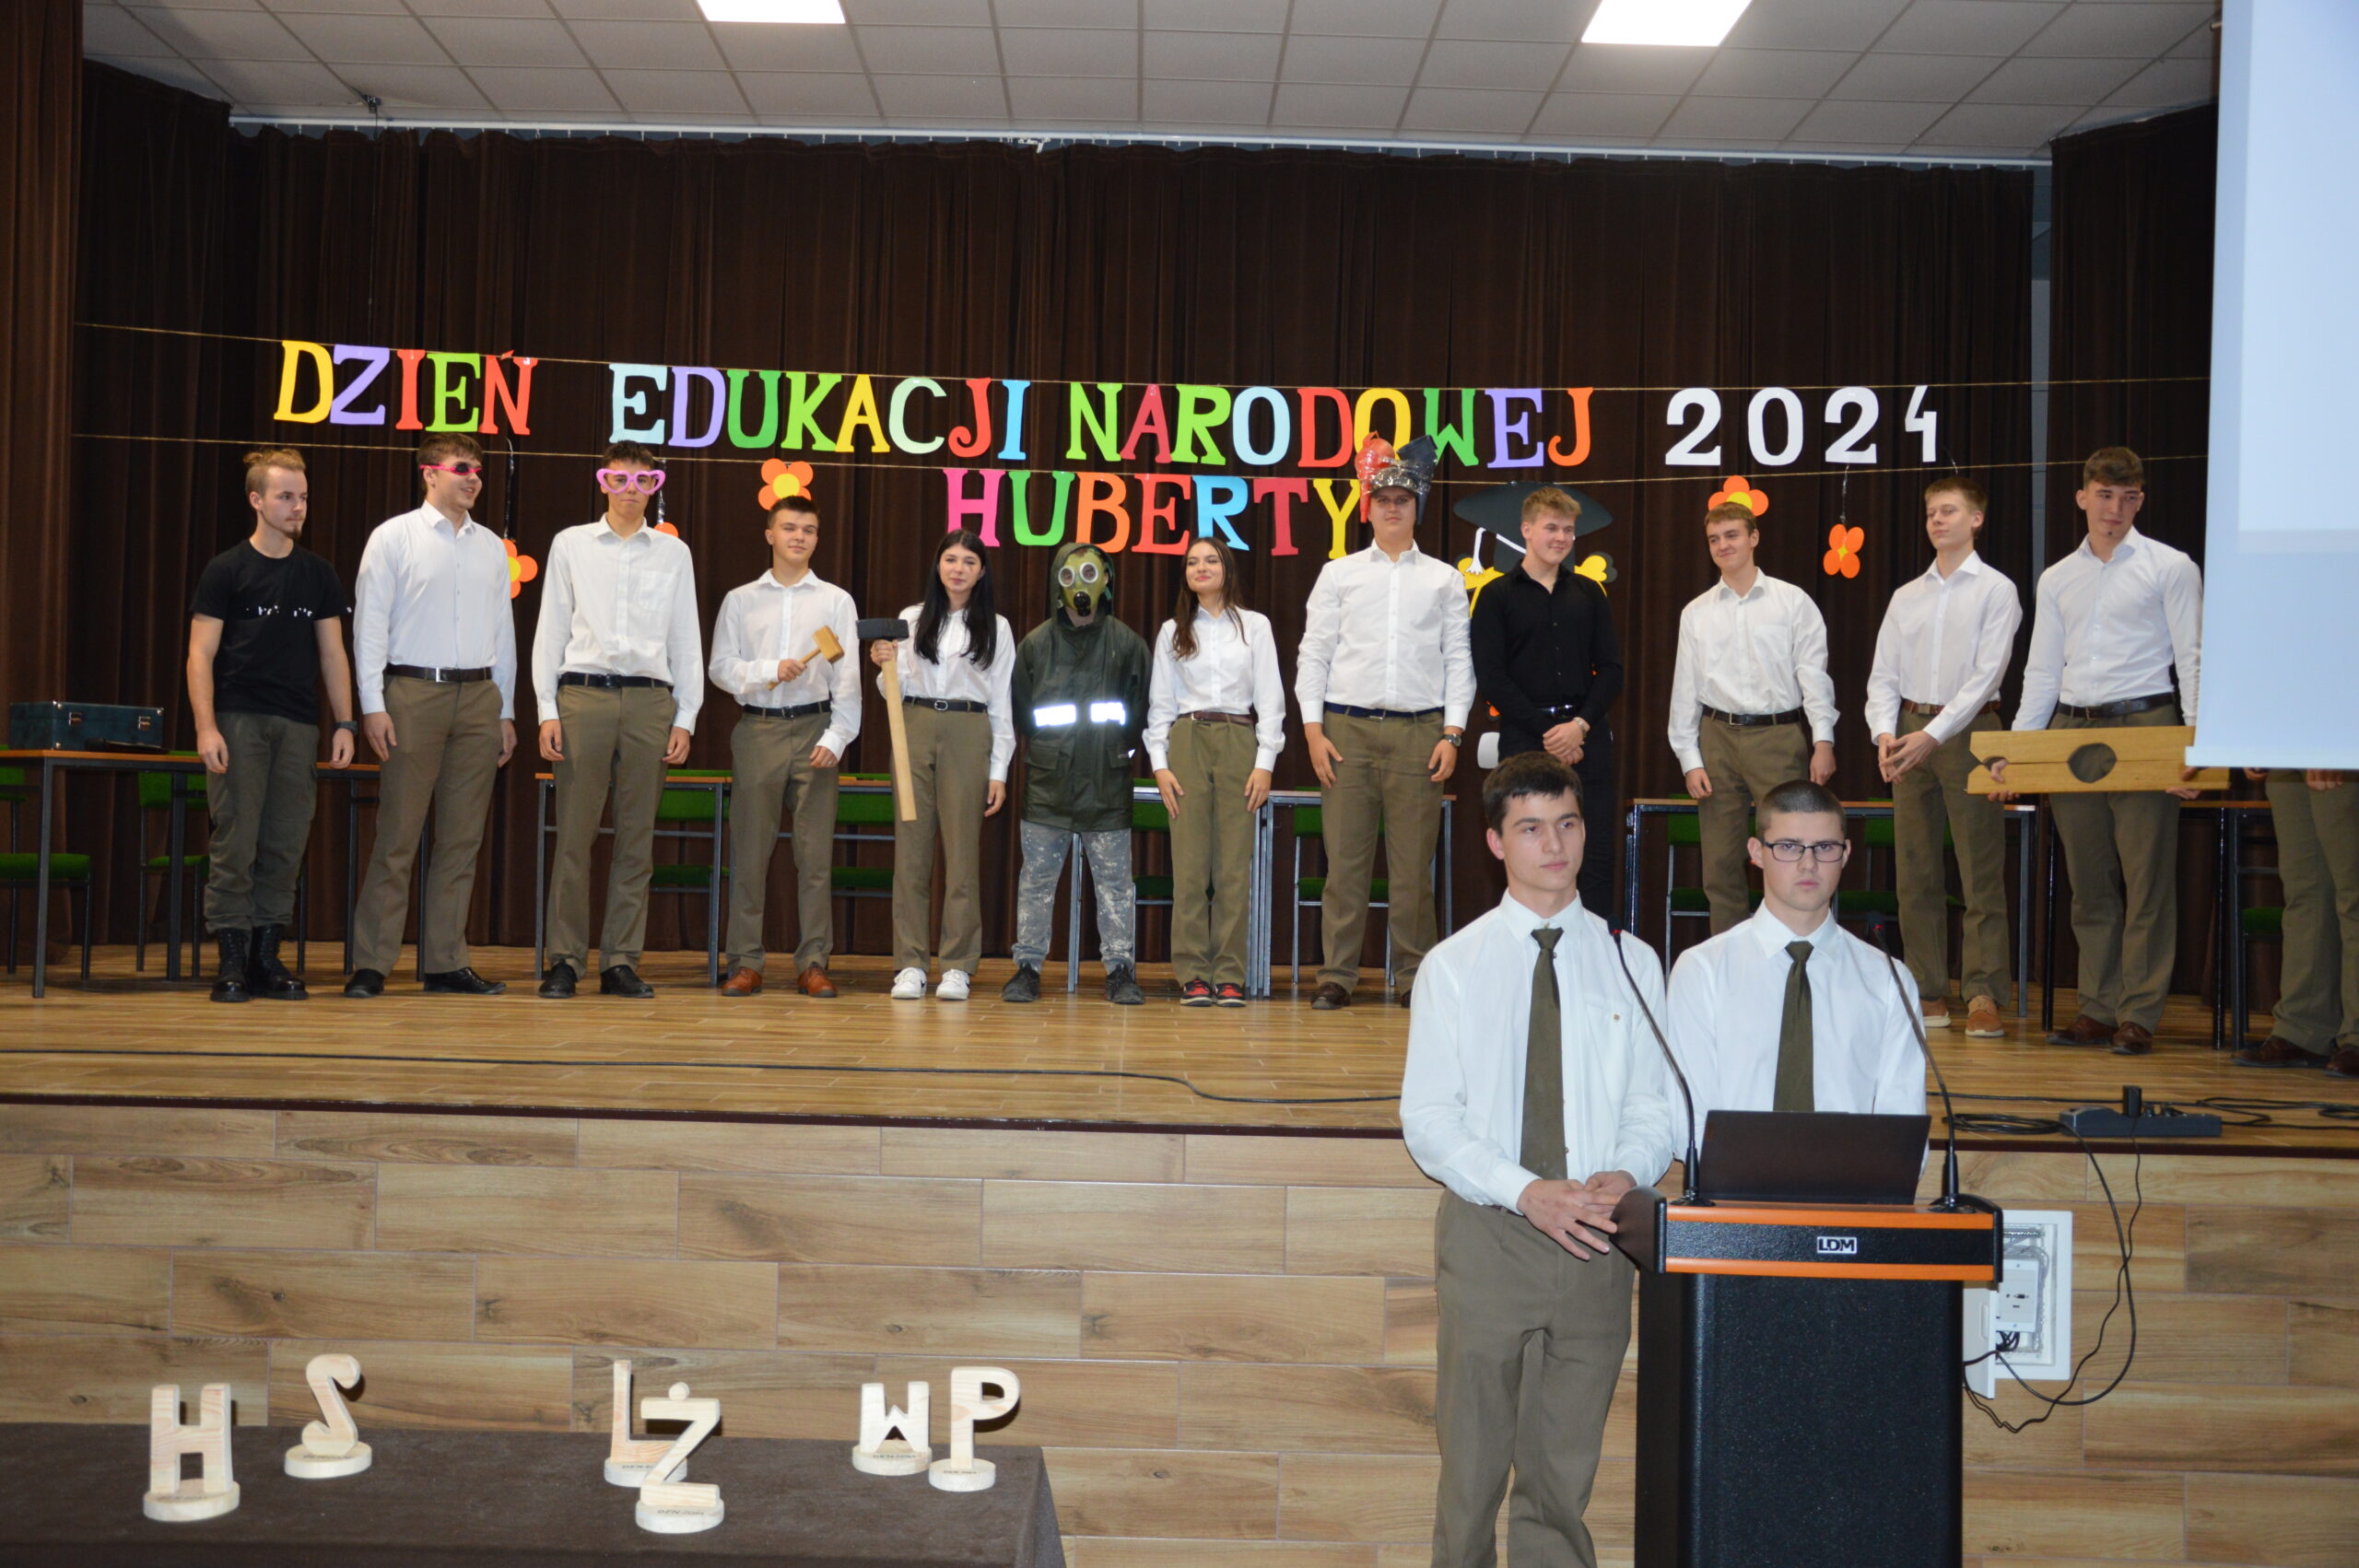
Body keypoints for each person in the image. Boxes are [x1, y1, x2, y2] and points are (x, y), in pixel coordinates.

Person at [1400, 751, 1676, 1568]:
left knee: (1561, 1483)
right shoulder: (1454, 966)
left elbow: (1656, 1105)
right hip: (1491, 1235)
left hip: (1597, 1239)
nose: (1552, 845)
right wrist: (1526, 1192)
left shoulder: (1632, 961)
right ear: (1496, 843)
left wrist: (1628, 1171)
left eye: (1566, 824)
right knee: (1471, 1477)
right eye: (1529, 828)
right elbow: (1429, 1120)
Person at [2001, 448, 2202, 1057]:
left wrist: (2197, 741)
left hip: (2146, 722)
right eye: (2105, 495)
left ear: (2141, 501)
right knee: (2089, 883)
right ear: (2082, 497)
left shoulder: (2171, 566)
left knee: (2146, 880)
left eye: (2129, 497)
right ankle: (2097, 1006)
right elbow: (2042, 671)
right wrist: (2019, 752)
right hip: (2072, 728)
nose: (2115, 508)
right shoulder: (2058, 577)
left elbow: (2192, 656)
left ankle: (2138, 1014)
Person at [1296, 436, 1473, 1009]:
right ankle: (1336, 975)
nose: (1392, 507)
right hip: (1344, 731)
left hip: (1420, 733)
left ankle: (1414, 976)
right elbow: (1314, 655)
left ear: (1418, 508)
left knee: (1412, 869)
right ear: (1366, 508)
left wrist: (1452, 732)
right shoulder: (1338, 574)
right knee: (1344, 864)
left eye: (1403, 499)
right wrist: (1313, 730)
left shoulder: (1444, 579)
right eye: (1382, 499)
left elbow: (1458, 660)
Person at [346, 432, 518, 998]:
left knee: (462, 839)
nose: (474, 479)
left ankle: (445, 961)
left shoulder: (491, 546)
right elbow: (369, 625)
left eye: (479, 470)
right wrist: (372, 704)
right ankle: (373, 963)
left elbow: (503, 632)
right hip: (412, 693)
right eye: (462, 468)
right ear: (429, 472)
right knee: (398, 834)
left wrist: (505, 709)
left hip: (479, 697)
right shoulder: (393, 537)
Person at [185, 447, 356, 1003]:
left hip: (299, 724)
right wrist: (206, 727)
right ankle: (231, 958)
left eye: (303, 497)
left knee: (286, 843)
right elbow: (200, 654)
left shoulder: (318, 573)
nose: (297, 507)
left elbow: (333, 654)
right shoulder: (227, 569)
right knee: (236, 840)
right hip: (238, 719)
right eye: (286, 496)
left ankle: (265, 955)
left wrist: (345, 722)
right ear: (256, 500)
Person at [531, 441, 701, 1000]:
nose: (631, 490)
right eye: (619, 479)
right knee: (574, 838)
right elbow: (551, 629)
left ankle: (621, 961)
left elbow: (686, 637)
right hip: (584, 696)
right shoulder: (571, 544)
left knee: (636, 839)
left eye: (643, 480)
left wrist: (687, 716)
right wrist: (547, 708)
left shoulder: (674, 553)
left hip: (651, 702)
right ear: (602, 482)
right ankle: (565, 960)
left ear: (655, 486)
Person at [1666, 778, 1926, 1138]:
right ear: (1757, 852)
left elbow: (1902, 1118)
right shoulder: (1703, 970)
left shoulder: (1887, 979)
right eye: (1789, 847)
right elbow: (1688, 1115)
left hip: (1850, 1172)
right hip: (1731, 1172)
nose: (1808, 864)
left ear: (1846, 854)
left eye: (1825, 847)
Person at [1865, 475, 2023, 1039]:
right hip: (1909, 732)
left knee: (1980, 872)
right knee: (1915, 872)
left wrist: (1932, 735)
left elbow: (1986, 676)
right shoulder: (1907, 595)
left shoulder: (1997, 590)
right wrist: (1885, 734)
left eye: (1949, 511)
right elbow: (1883, 675)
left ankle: (1983, 993)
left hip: (1972, 733)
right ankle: (1927, 989)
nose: (1937, 520)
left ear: (1976, 519)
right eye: (1932, 511)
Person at [1667, 498, 1839, 935]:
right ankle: (1729, 961)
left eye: (1732, 535)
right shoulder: (1696, 612)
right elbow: (1685, 688)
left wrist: (1823, 740)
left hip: (1777, 737)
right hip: (1716, 738)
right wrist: (1689, 758)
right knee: (1720, 864)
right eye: (1714, 539)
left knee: (1789, 853)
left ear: (1754, 538)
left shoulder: (1792, 601)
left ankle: (1792, 951)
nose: (1723, 545)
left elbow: (1814, 675)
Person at [710, 492, 859, 999]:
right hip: (759, 730)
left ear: (817, 539)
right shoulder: (741, 599)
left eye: (809, 530)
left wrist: (838, 736)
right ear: (770, 535)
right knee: (750, 854)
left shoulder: (836, 601)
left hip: (816, 729)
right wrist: (768, 669)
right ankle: (745, 962)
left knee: (814, 858)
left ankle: (813, 962)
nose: (799, 536)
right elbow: (721, 668)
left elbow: (847, 679)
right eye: (790, 527)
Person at [1001, 540, 1154, 1007]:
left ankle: (1120, 969)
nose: (1079, 586)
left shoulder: (1128, 644)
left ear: (1105, 580)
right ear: (1057, 583)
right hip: (1048, 785)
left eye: (1089, 574)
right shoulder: (1035, 645)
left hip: (1106, 783)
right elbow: (1023, 711)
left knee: (1115, 886)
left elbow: (1140, 710)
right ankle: (1027, 967)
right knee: (1036, 882)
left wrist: (1115, 750)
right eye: (1069, 577)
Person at [1469, 484, 1625, 918]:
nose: (1561, 538)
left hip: (1587, 740)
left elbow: (1611, 669)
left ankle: (1595, 950)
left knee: (1593, 855)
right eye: (1551, 528)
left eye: (1569, 530)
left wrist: (1579, 727)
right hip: (1525, 741)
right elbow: (1493, 679)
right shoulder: (1496, 596)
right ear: (1526, 530)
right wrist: (1549, 732)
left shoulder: (1590, 594)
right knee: (1530, 852)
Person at [871, 529, 1014, 1002]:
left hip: (969, 731)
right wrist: (883, 662)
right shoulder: (911, 619)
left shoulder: (997, 626)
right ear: (938, 565)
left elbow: (1003, 703)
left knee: (962, 854)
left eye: (969, 562)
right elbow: (890, 689)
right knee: (911, 853)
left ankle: (957, 965)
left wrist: (999, 770)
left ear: (982, 572)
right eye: (951, 559)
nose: (958, 569)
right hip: (912, 726)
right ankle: (910, 963)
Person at [1146, 536, 1285, 1006]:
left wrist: (1264, 763)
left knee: (1232, 869)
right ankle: (1192, 973)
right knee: (1189, 868)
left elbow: (1271, 699)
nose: (1200, 568)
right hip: (1187, 739)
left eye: (1210, 560)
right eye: (1192, 562)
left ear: (1227, 568)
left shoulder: (1254, 626)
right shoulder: (1173, 631)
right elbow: (1160, 704)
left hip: (1238, 739)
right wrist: (1160, 764)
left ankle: (1228, 973)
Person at [2234, 767, 2359, 1077]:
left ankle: (2356, 1037)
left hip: (2343, 749)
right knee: (2305, 897)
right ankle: (2304, 1030)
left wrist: (2337, 745)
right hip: (2289, 755)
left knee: (2354, 895)